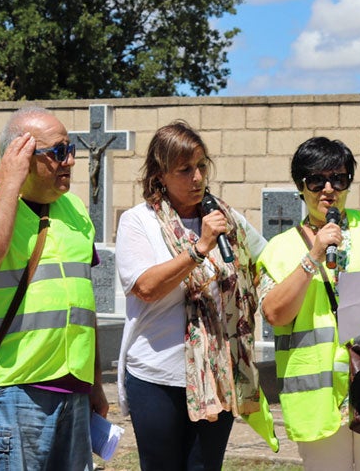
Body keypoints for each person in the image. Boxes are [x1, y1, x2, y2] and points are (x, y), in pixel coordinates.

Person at [0, 106, 106, 471]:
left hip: (74, 390)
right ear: (20, 155)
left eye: (71, 148)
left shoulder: (76, 210)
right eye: (58, 152)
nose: (70, 161)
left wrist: (94, 383)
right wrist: (10, 186)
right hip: (12, 389)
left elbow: (83, 302)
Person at [114, 121, 277, 470]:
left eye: (202, 166)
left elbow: (267, 263)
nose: (198, 177)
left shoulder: (225, 219)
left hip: (217, 374)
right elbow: (145, 287)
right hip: (158, 377)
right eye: (185, 169)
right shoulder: (137, 221)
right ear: (159, 175)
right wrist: (199, 248)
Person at [257, 137, 360, 470]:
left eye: (339, 179)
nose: (328, 189)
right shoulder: (278, 249)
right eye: (317, 180)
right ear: (300, 186)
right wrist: (314, 256)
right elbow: (275, 314)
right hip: (316, 402)